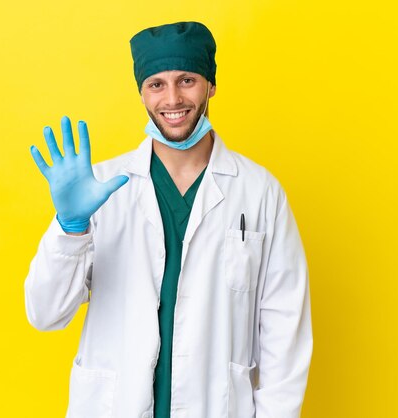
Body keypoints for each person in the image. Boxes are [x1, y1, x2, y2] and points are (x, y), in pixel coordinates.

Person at [25, 21, 313, 418]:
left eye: (187, 80)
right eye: (156, 84)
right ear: (141, 92)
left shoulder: (259, 192)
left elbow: (285, 333)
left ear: (210, 85)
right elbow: (45, 314)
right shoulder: (103, 189)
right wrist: (70, 229)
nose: (172, 98)